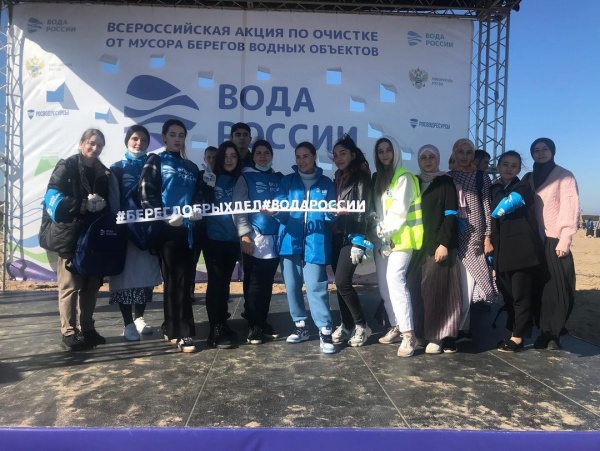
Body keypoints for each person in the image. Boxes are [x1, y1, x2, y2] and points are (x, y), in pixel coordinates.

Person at [40, 128, 110, 350]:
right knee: (70, 286)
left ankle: (88, 329)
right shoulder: (67, 165)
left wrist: (102, 205)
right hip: (70, 235)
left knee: (91, 285)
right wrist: (82, 205)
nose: (95, 148)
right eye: (91, 143)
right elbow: (52, 197)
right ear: (82, 143)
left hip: (93, 236)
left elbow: (108, 202)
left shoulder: (103, 173)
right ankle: (69, 332)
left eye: (99, 145)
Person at [139, 119, 203, 353]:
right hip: (167, 231)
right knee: (176, 281)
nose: (177, 139)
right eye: (173, 134)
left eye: (181, 135)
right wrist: (164, 218)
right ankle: (183, 333)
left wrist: (197, 208)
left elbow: (198, 194)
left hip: (188, 232)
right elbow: (146, 193)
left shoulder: (192, 167)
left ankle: (170, 326)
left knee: (183, 282)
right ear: (164, 137)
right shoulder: (155, 160)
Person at [271, 142, 337, 354]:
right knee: (292, 286)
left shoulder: (326, 183)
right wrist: (274, 212)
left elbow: (329, 216)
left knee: (316, 286)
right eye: (298, 157)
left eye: (305, 156)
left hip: (315, 242)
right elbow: (282, 213)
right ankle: (300, 326)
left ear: (314, 157)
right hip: (290, 240)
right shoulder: (287, 182)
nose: (301, 161)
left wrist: (334, 213)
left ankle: (325, 330)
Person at [370, 137, 423, 358]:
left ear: (396, 152)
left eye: (388, 150)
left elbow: (399, 212)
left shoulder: (404, 178)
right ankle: (396, 325)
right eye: (380, 151)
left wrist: (384, 233)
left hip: (401, 240)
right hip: (384, 241)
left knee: (395, 281)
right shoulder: (381, 179)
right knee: (384, 286)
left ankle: (409, 334)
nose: (385, 155)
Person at [109, 125, 162, 341]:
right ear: (127, 141)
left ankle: (139, 317)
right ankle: (127, 323)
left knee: (145, 277)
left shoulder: (154, 165)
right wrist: (117, 226)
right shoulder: (117, 168)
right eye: (134, 139)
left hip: (148, 230)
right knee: (125, 279)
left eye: (143, 140)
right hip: (125, 232)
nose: (139, 143)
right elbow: (113, 198)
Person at [526, 138, 580, 350]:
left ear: (552, 151)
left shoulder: (564, 175)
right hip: (534, 241)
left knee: (557, 290)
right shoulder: (530, 177)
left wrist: (565, 239)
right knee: (538, 287)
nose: (540, 153)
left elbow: (570, 207)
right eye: (536, 150)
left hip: (555, 240)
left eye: (545, 149)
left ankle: (553, 334)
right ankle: (542, 329)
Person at [490, 151, 545, 352]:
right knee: (508, 295)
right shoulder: (495, 188)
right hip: (502, 252)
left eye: (514, 165)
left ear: (519, 169)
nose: (508, 168)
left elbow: (501, 207)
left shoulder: (522, 187)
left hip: (522, 252)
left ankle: (518, 338)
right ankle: (513, 332)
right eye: (505, 164)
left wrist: (496, 187)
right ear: (498, 166)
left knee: (521, 296)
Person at [449, 138, 498, 351]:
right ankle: (462, 328)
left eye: (468, 152)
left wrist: (487, 236)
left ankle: (459, 329)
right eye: (460, 152)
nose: (464, 156)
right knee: (457, 284)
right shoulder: (448, 177)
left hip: (474, 235)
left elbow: (487, 207)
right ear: (454, 152)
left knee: (468, 284)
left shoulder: (481, 177)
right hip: (454, 234)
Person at [233, 139, 283, 345]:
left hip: (275, 238)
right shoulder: (245, 177)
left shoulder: (278, 178)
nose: (263, 156)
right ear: (253, 156)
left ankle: (262, 321)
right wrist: (244, 235)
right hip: (254, 238)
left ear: (272, 156)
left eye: (266, 153)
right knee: (254, 283)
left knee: (267, 283)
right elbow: (238, 208)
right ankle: (253, 324)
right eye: (259, 153)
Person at [415, 145, 461, 354]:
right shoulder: (415, 182)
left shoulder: (445, 182)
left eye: (431, 157)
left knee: (437, 293)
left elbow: (451, 215)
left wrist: (444, 244)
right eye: (423, 157)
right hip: (417, 246)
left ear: (438, 159)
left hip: (438, 246)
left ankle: (438, 336)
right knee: (419, 292)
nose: (427, 161)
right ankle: (422, 334)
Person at [329, 136, 373, 347]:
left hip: (352, 236)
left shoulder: (361, 178)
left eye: (343, 153)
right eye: (335, 155)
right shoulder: (338, 178)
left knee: (342, 282)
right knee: (339, 284)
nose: (339, 158)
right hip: (337, 235)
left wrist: (359, 240)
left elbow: (363, 211)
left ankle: (362, 325)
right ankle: (346, 324)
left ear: (353, 155)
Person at [203, 141, 242, 349]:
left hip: (233, 239)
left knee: (225, 284)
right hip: (214, 238)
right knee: (216, 283)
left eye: (233, 156)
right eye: (225, 156)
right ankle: (214, 330)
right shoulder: (210, 177)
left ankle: (222, 323)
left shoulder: (241, 179)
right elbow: (201, 202)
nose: (229, 160)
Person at [189, 145, 218, 303]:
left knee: (212, 263)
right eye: (209, 157)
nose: (212, 160)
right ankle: (190, 292)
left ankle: (213, 295)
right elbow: (193, 195)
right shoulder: (198, 175)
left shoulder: (222, 176)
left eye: (214, 157)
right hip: (197, 226)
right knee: (192, 260)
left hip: (213, 227)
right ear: (204, 158)